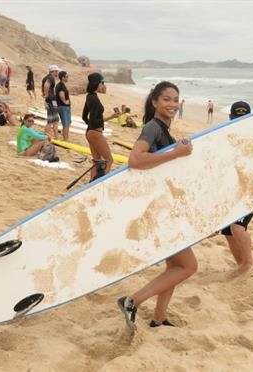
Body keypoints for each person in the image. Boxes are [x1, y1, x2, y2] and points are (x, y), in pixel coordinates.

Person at [117, 81, 195, 335]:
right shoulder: (152, 127)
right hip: (158, 212)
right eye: (167, 99)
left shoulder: (163, 130)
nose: (172, 104)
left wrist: (176, 147)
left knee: (174, 267)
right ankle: (133, 301)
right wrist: (175, 154)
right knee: (188, 266)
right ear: (154, 102)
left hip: (162, 208)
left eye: (176, 99)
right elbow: (135, 160)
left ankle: (159, 318)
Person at [221, 101, 253, 277]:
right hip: (234, 191)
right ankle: (241, 264)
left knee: (237, 227)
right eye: (236, 118)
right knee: (227, 230)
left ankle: (248, 262)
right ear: (230, 118)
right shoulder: (226, 138)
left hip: (252, 190)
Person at [82, 73, 120, 181]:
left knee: (97, 160)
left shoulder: (89, 96)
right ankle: (100, 183)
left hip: (90, 132)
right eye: (102, 83)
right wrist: (110, 117)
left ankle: (91, 183)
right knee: (109, 160)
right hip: (95, 133)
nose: (103, 85)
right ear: (97, 83)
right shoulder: (94, 98)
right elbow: (94, 120)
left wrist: (91, 128)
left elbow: (84, 117)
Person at [42, 65, 60, 137]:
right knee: (52, 120)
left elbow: (44, 86)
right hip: (51, 100)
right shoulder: (50, 77)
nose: (57, 73)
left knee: (54, 119)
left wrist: (45, 94)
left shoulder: (46, 77)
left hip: (49, 100)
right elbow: (46, 85)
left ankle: (56, 136)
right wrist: (46, 94)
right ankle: (45, 136)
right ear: (54, 71)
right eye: (57, 71)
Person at [56, 70, 72, 140]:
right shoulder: (60, 86)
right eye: (66, 76)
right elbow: (61, 95)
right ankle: (65, 139)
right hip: (63, 107)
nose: (68, 77)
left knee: (68, 122)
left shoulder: (62, 85)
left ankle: (66, 137)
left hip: (65, 107)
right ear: (63, 77)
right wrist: (65, 102)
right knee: (65, 123)